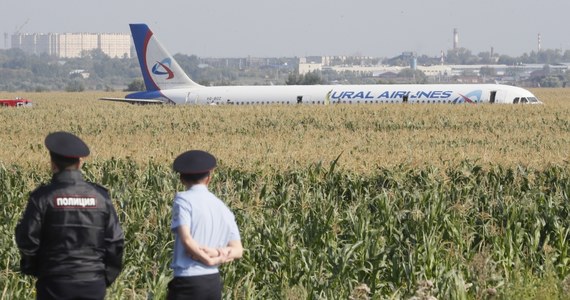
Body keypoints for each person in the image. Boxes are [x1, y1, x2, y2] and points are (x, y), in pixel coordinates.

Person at [15, 131, 124, 300]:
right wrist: (105, 277)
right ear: (80, 163)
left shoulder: (43, 197)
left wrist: (37, 270)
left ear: (53, 164)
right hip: (92, 283)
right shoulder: (100, 197)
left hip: (54, 283)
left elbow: (28, 240)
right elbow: (115, 242)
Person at [168, 150, 243, 300]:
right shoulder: (222, 206)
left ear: (181, 179)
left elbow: (186, 239)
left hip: (188, 280)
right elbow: (238, 250)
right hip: (212, 282)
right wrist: (216, 255)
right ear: (209, 177)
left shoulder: (183, 200)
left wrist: (206, 259)